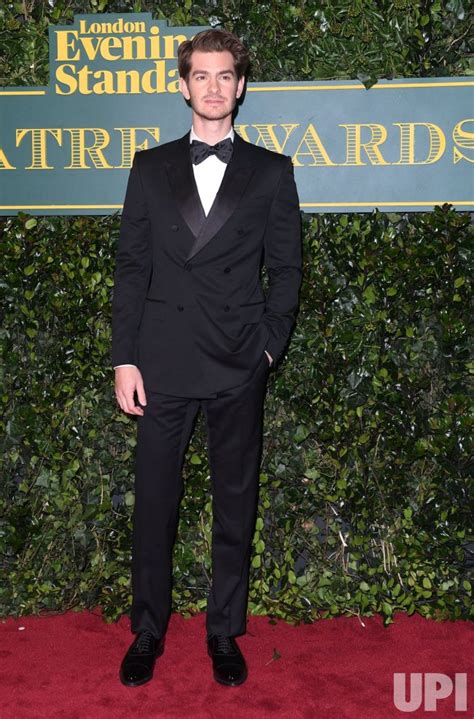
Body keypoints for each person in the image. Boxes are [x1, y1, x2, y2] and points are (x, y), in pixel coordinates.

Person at [112, 28, 302, 688]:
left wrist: (268, 348)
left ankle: (224, 629)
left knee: (234, 502)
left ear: (241, 86)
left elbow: (286, 269)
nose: (214, 87)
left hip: (236, 362)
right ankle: (148, 628)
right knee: (155, 504)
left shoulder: (273, 172)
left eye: (226, 76)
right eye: (202, 75)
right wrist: (124, 358)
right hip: (161, 362)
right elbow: (133, 267)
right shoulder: (149, 166)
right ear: (183, 84)